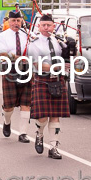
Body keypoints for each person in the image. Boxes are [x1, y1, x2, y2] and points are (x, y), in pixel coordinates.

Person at [28, 14, 70, 159]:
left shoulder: (59, 41)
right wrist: (57, 67)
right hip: (42, 80)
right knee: (42, 118)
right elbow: (37, 64)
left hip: (58, 81)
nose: (46, 28)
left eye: (49, 25)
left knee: (55, 115)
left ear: (53, 26)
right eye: (43, 25)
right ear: (38, 26)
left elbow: (67, 58)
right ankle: (39, 134)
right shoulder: (34, 43)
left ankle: (53, 147)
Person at [0, 10, 32, 143]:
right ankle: (7, 121)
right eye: (13, 21)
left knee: (26, 103)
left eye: (18, 21)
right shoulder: (3, 36)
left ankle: (23, 133)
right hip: (10, 68)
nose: (16, 23)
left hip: (26, 70)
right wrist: (17, 57)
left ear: (22, 21)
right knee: (9, 105)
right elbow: (0, 53)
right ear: (8, 22)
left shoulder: (28, 35)